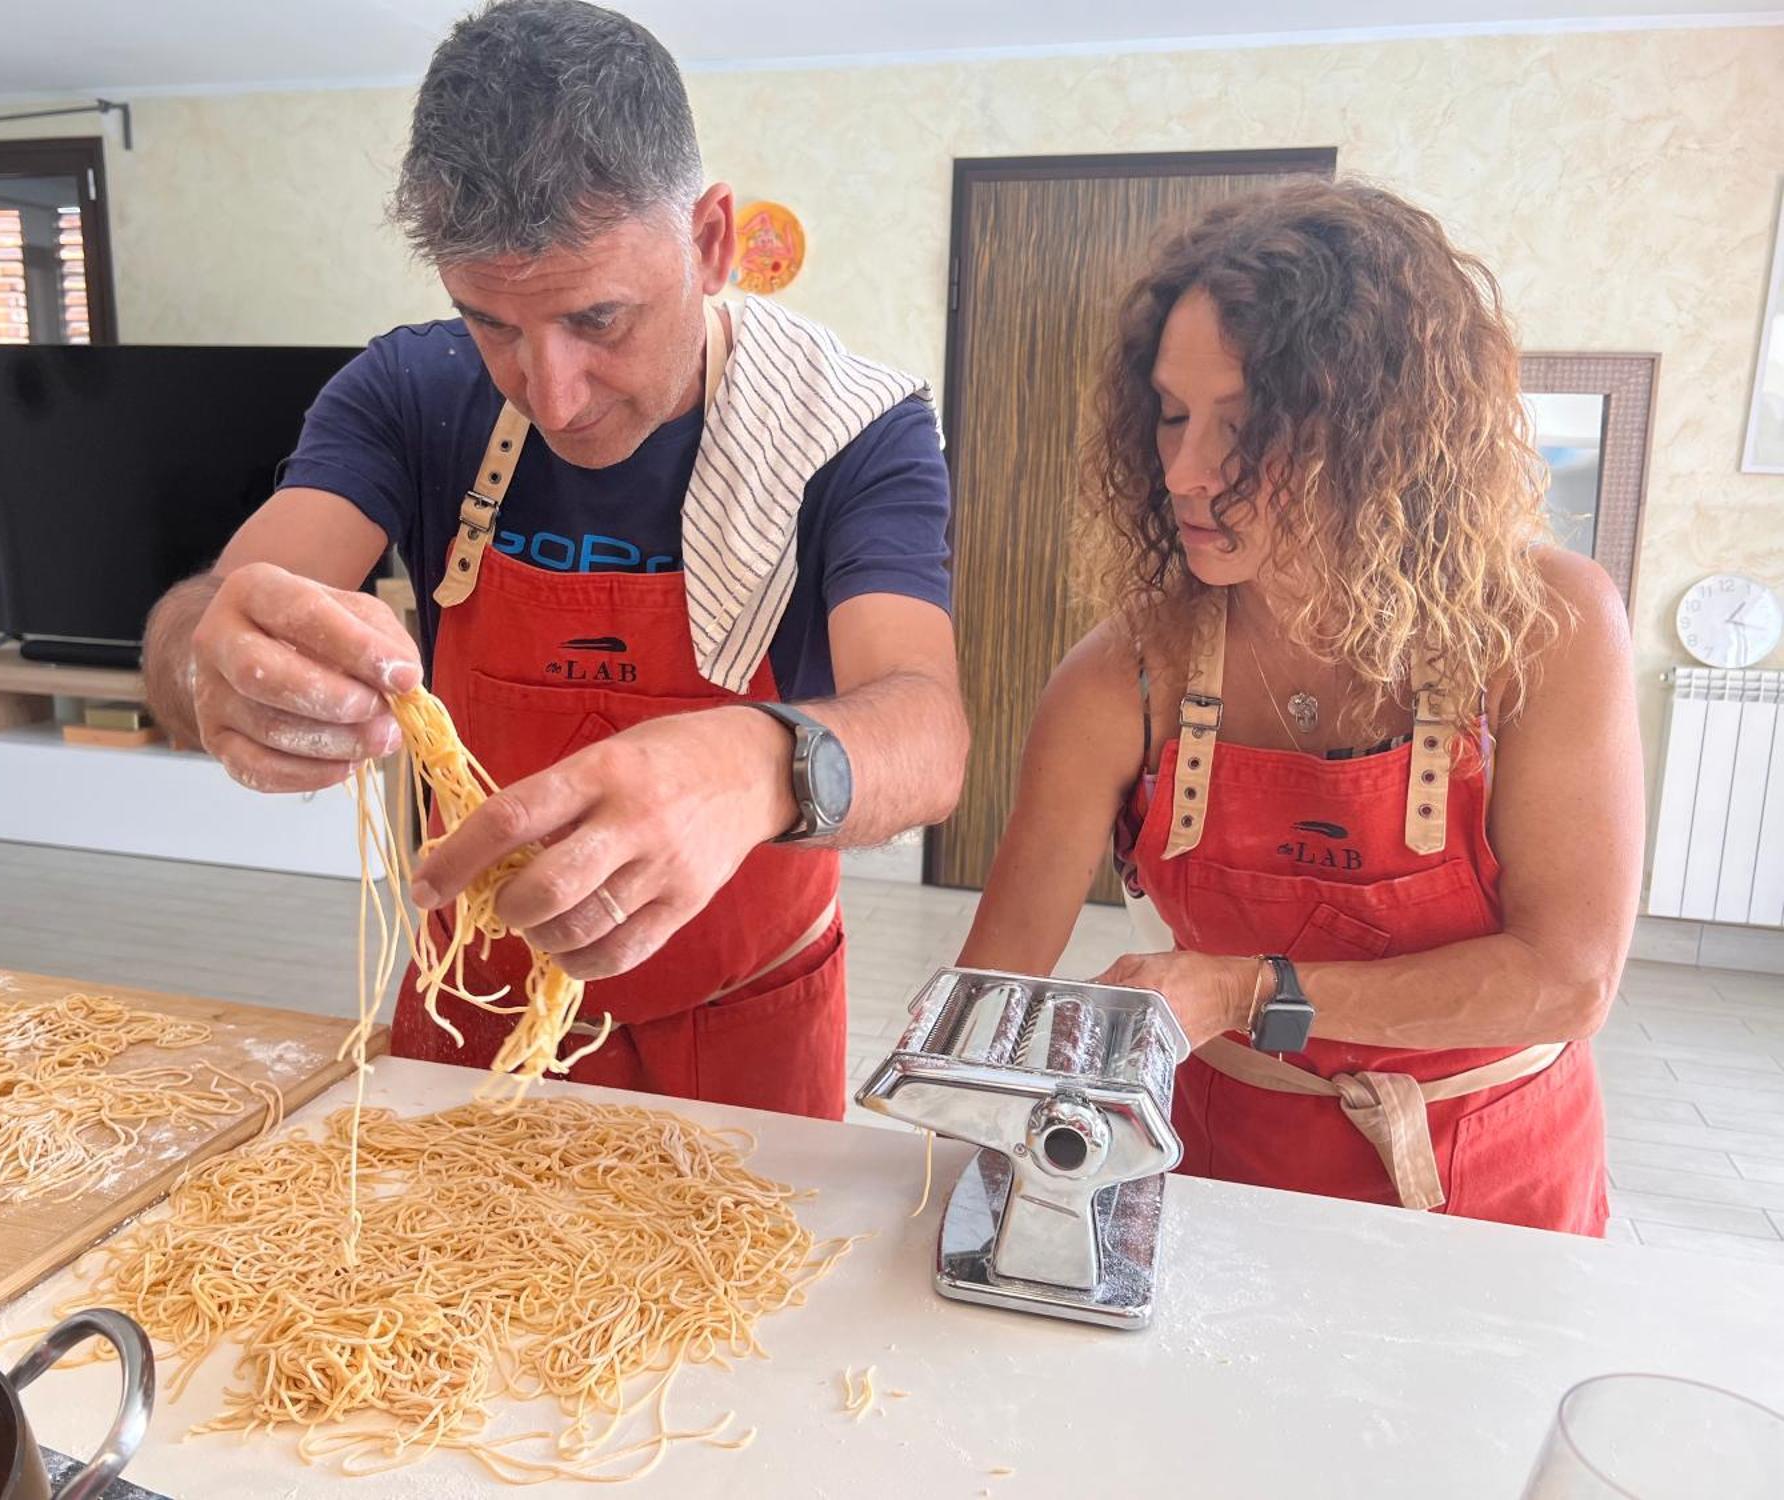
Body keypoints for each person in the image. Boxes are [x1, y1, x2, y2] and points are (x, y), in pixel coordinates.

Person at [143, 0, 966, 1120]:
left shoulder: (848, 431)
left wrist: (753, 767)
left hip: (743, 1020)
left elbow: (924, 731)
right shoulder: (408, 394)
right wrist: (218, 663)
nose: (551, 391)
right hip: (468, 1004)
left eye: (600, 319)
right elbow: (210, 617)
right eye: (491, 324)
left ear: (711, 241)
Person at [958, 179, 1643, 1235]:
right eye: (1171, 416)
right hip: (1218, 1164)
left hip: (1494, 1171)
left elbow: (1563, 983)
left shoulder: (1546, 628)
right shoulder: (1121, 677)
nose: (1184, 472)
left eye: (1241, 428)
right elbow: (994, 983)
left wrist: (1240, 991)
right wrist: (944, 1140)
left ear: (1384, 439)